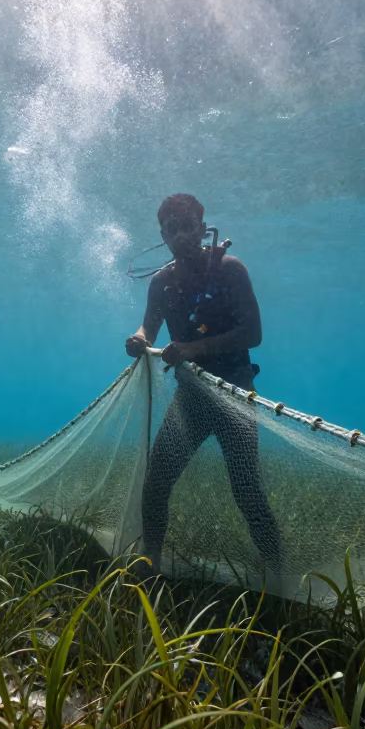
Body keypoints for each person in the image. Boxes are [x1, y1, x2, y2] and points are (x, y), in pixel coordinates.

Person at [125, 193, 282, 574]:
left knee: (247, 491)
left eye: (187, 225)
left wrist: (194, 348)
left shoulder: (231, 270)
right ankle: (152, 563)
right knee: (157, 482)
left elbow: (253, 333)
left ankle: (277, 572)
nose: (179, 234)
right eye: (171, 228)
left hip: (235, 396)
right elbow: (150, 324)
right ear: (162, 234)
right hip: (191, 396)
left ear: (202, 226)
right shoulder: (161, 283)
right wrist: (140, 338)